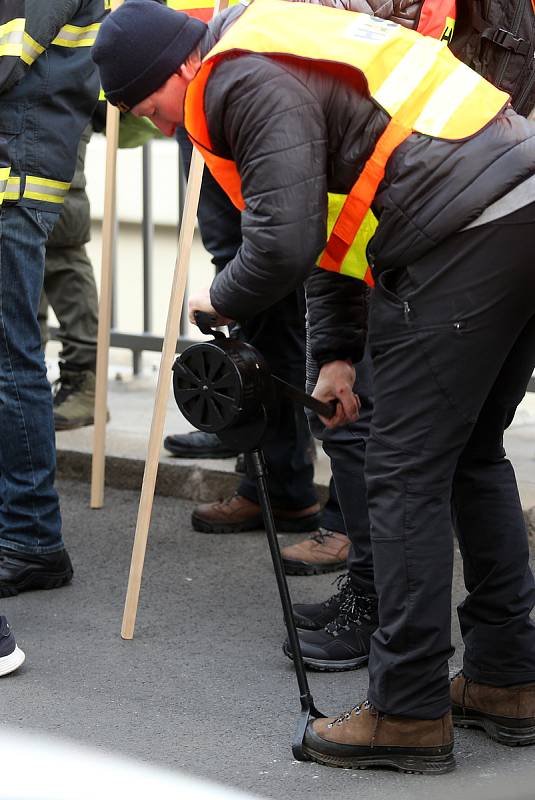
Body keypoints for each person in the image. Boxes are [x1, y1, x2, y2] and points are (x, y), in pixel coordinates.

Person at [93, 0, 535, 774]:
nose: (159, 125)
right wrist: (335, 355)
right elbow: (339, 226)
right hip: (510, 207)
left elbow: (285, 239)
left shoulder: (239, 79)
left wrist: (219, 297)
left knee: (403, 476)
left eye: (144, 106)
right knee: (468, 455)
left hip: (459, 234)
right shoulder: (274, 49)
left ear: (172, 69)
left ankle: (406, 713)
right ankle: (505, 677)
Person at [0, 0, 107, 596]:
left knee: (11, 366)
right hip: (17, 169)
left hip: (13, 176)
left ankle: (32, 538)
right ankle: (22, 529)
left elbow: (8, 56)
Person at [39, 126, 101, 431]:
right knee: (13, 245)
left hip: (54, 105)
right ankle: (23, 385)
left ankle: (84, 383)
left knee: (60, 240)